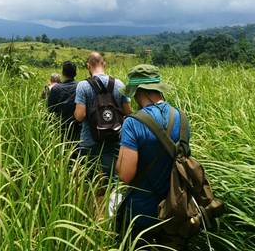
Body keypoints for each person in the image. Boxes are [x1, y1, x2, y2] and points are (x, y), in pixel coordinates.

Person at [115, 64, 190, 250]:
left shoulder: (132, 123)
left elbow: (125, 175)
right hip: (175, 208)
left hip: (140, 212)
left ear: (137, 90)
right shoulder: (182, 117)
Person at [74, 52, 132, 185]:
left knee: (88, 180)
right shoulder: (119, 84)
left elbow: (80, 116)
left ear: (88, 66)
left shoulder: (83, 86)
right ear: (104, 64)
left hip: (89, 139)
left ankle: (89, 204)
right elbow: (127, 111)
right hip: (113, 137)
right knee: (112, 179)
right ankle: (112, 204)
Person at [47, 61, 81, 142]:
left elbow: (50, 109)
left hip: (60, 128)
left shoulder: (56, 89)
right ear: (75, 74)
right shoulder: (80, 86)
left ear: (62, 73)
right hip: (77, 128)